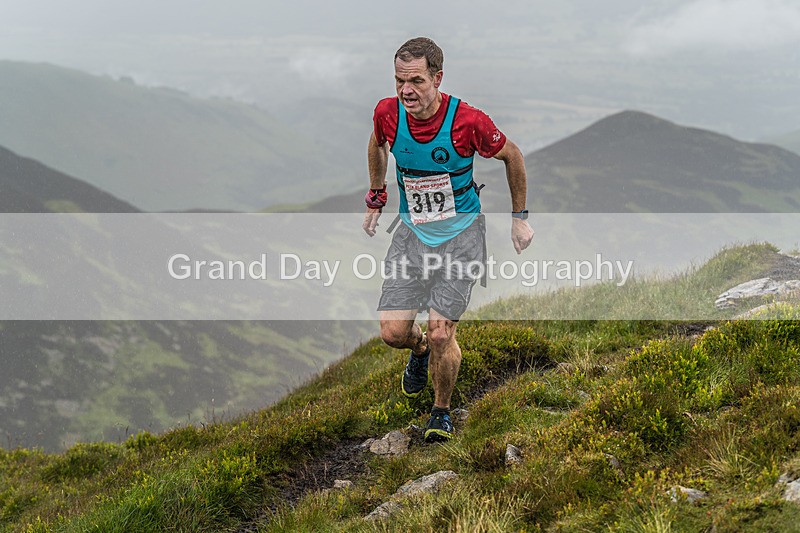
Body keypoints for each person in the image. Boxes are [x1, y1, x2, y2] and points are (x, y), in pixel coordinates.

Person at [362, 37, 534, 442]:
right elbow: (377, 144)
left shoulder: (468, 122)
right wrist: (376, 195)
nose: (406, 90)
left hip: (461, 239)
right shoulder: (388, 114)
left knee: (442, 331)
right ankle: (418, 352)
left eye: (416, 81)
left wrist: (519, 219)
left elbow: (513, 156)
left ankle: (440, 413)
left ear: (438, 78)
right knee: (393, 334)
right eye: (399, 81)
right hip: (411, 238)